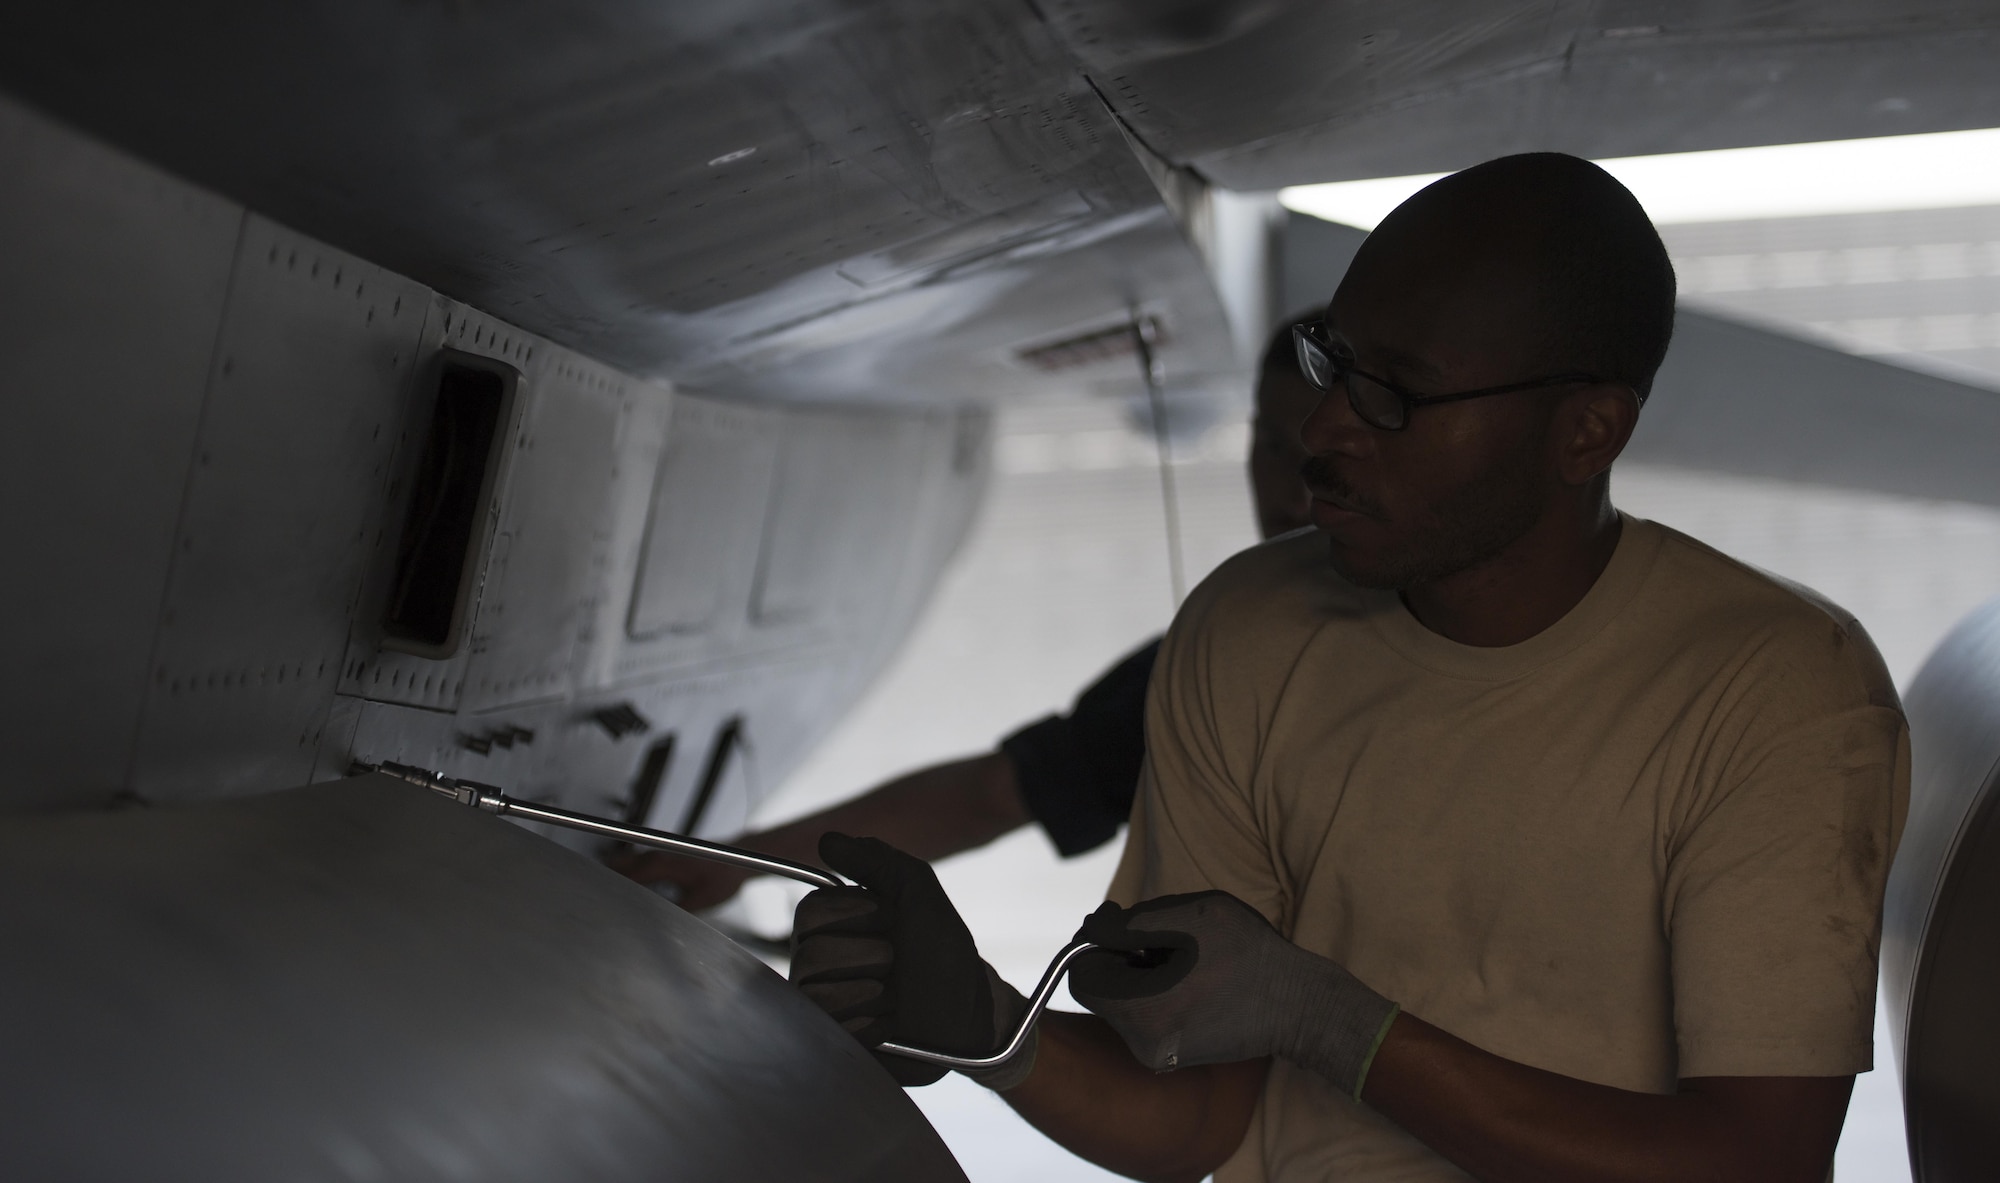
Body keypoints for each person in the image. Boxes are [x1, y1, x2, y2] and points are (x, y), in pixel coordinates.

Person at [788, 153, 1908, 1182]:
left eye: (1396, 395)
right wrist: (987, 1026)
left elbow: (1753, 1165)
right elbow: (1199, 1119)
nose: (1322, 430)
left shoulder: (1775, 690)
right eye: (1336, 363)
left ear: (1585, 433)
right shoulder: (1250, 628)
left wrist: (1333, 1023)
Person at [610, 323, 1324, 910]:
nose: (1292, 498)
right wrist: (744, 860)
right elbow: (993, 795)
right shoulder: (1216, 668)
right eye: (1272, 450)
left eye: (1324, 463)